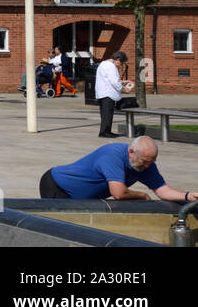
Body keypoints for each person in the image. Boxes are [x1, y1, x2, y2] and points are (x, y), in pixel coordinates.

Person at [39, 135, 198, 202]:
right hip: (57, 185)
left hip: (81, 196)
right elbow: (119, 193)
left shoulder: (146, 164)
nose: (147, 166)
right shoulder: (112, 155)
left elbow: (163, 190)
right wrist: (142, 195)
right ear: (131, 152)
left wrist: (187, 196)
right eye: (145, 161)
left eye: (151, 162)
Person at [95, 50, 133, 137]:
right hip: (108, 93)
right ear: (118, 59)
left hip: (102, 92)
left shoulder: (103, 64)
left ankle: (107, 131)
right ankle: (104, 132)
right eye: (121, 63)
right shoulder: (111, 66)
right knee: (107, 114)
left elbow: (109, 79)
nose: (120, 66)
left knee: (105, 114)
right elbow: (114, 82)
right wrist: (123, 89)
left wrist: (124, 81)